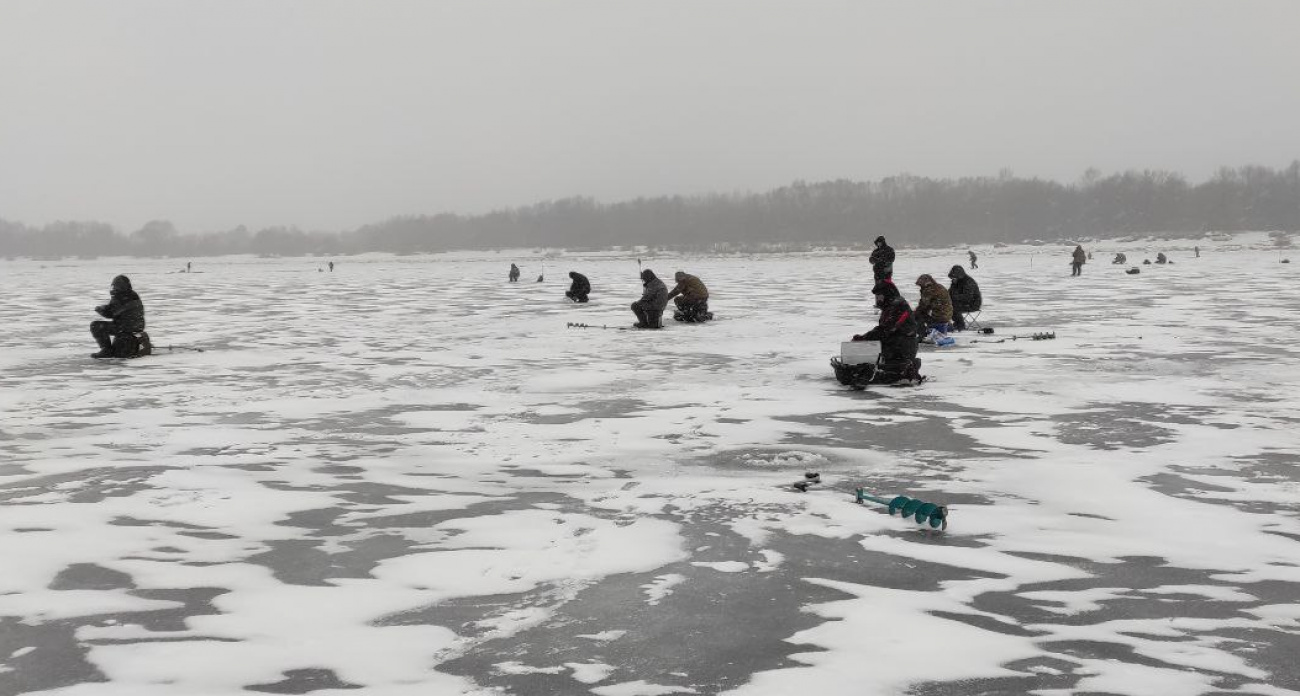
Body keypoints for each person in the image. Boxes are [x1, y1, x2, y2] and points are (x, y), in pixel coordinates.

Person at [850, 280, 922, 383]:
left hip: (903, 346)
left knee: (891, 373)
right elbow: (884, 329)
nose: (877, 299)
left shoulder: (899, 306)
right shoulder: (890, 306)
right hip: (894, 344)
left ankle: (906, 370)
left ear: (887, 294)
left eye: (879, 295)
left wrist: (864, 338)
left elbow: (886, 329)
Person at [91, 275, 150, 359]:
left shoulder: (120, 296)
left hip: (125, 326)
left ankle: (106, 350)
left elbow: (111, 313)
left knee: (95, 326)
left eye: (115, 286)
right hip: (136, 326)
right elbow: (117, 309)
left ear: (120, 286)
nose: (114, 288)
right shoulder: (132, 295)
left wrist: (100, 310)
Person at [947, 265, 982, 331]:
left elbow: (967, 297)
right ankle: (955, 323)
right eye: (952, 278)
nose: (953, 279)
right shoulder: (955, 282)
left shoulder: (968, 282)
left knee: (952, 307)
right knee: (947, 305)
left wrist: (953, 297)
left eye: (954, 277)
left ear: (959, 275)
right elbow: (950, 292)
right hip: (960, 302)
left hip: (973, 304)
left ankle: (960, 324)